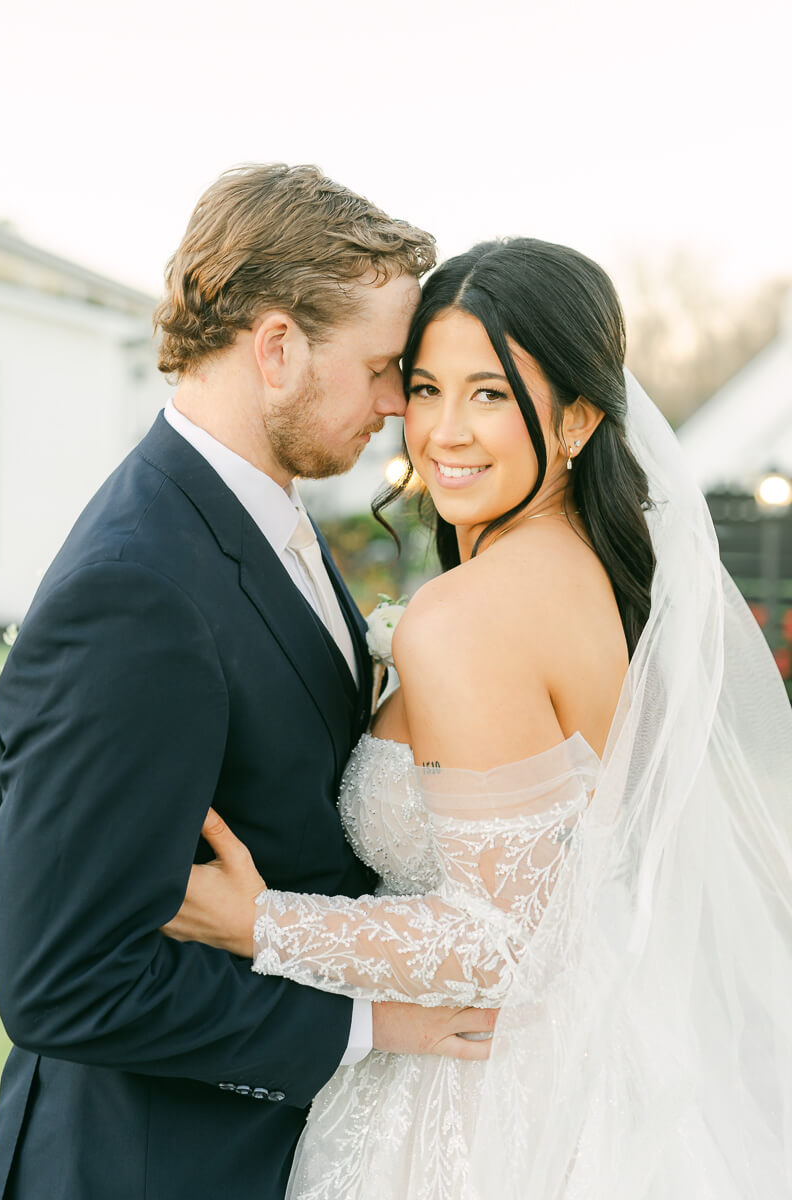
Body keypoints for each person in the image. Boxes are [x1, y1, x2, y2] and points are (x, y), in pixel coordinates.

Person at [164, 238, 792, 1199]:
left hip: (477, 1111)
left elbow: (503, 940)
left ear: (578, 417)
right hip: (589, 1072)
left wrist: (259, 922)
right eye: (423, 388)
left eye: (491, 393)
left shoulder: (467, 617)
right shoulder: (596, 578)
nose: (442, 432)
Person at [0, 165, 497, 1200]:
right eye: (381, 369)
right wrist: (373, 1024)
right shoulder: (134, 592)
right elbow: (62, 982)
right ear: (276, 349)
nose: (398, 405)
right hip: (146, 1164)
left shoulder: (264, 514)